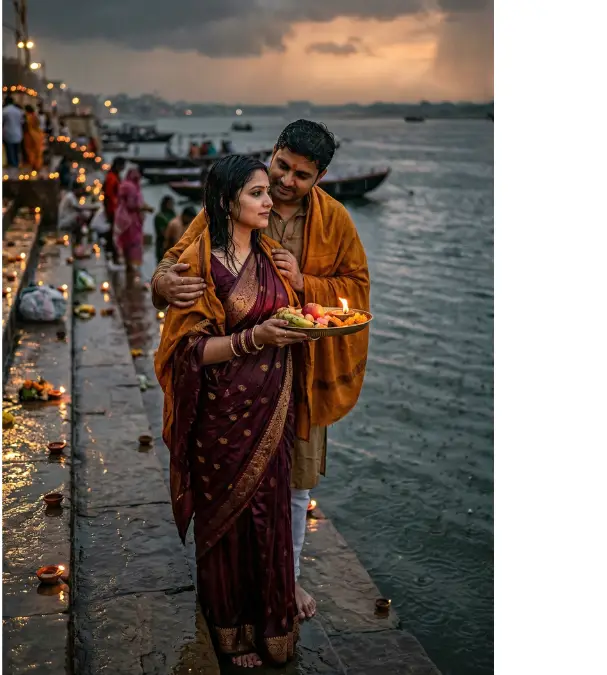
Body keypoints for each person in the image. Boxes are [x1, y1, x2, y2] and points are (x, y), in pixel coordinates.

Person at [151, 120, 370, 622]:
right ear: (273, 153)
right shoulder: (237, 198)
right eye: (281, 166)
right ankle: (232, 587)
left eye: (301, 175)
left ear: (320, 177)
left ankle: (287, 580)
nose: (285, 182)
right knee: (229, 484)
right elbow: (176, 259)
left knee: (295, 483)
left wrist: (306, 281)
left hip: (301, 374)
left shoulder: (335, 220)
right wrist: (163, 283)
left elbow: (356, 288)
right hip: (232, 377)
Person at [154, 154, 312, 668]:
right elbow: (188, 351)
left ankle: (273, 622)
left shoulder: (271, 256)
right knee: (228, 521)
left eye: (268, 192)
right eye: (256, 193)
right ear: (227, 202)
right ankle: (230, 628)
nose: (269, 202)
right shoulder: (199, 262)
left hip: (274, 407)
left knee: (270, 515)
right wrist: (256, 337)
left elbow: (292, 314)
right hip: (222, 415)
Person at [113, 167, 154, 278]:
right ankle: (130, 266)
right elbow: (132, 205)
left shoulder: (126, 185)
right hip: (130, 220)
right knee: (132, 242)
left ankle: (129, 265)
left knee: (126, 242)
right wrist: (146, 208)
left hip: (124, 218)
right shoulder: (130, 187)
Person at [101, 157, 126, 265]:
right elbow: (109, 194)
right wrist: (116, 208)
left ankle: (112, 254)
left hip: (114, 208)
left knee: (113, 232)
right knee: (114, 233)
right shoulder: (112, 177)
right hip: (113, 209)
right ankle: (113, 256)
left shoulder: (114, 176)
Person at [2, 96, 24, 168]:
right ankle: (16, 164)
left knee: (10, 151)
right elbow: (22, 122)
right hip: (18, 133)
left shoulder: (4, 111)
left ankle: (12, 165)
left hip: (8, 133)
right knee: (16, 151)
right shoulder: (19, 111)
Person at [153, 196, 177, 263]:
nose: (171, 205)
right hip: (162, 244)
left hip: (173, 244)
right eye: (169, 203)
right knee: (163, 263)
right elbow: (163, 232)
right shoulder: (160, 216)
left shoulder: (173, 215)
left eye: (172, 203)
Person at [22, 105, 44, 172]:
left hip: (30, 136)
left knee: (31, 152)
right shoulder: (35, 116)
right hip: (38, 136)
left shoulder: (28, 117)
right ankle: (37, 167)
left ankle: (33, 167)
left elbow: (26, 126)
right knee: (38, 152)